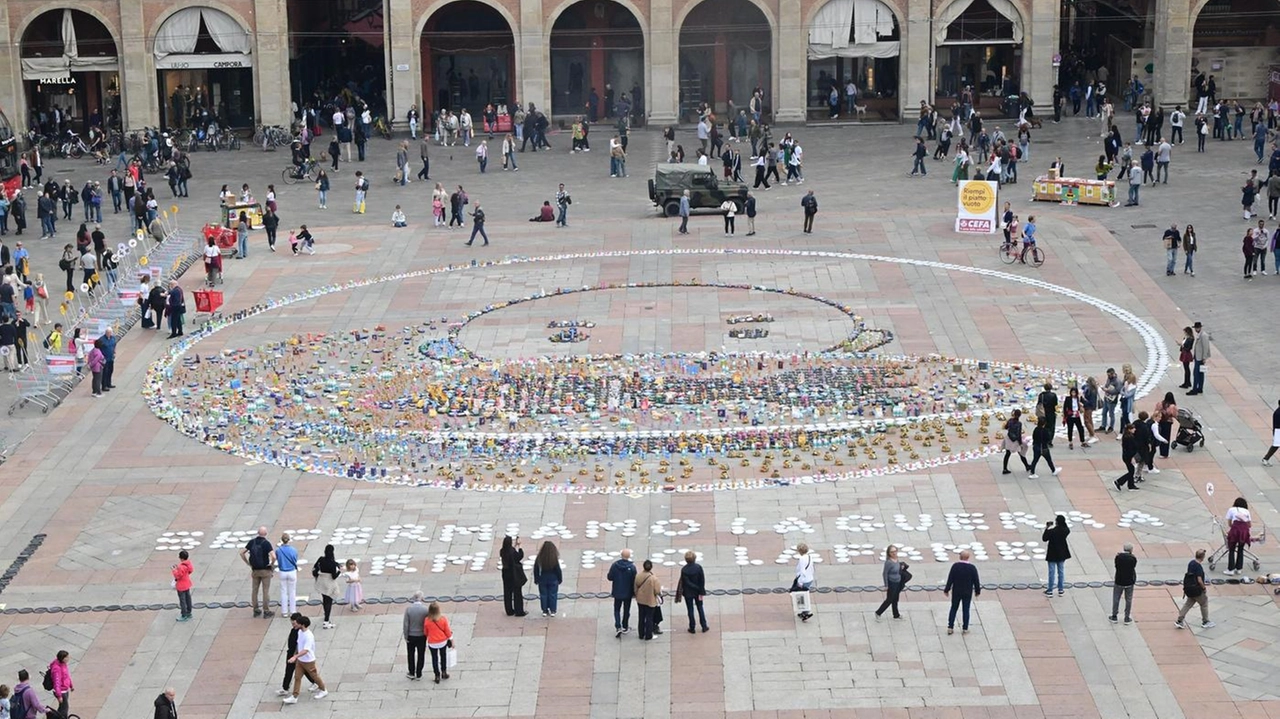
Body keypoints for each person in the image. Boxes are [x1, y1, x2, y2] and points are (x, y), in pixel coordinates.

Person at [283, 615, 328, 703]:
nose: (295, 625)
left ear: (302, 625)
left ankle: (323, 690)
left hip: (308, 661)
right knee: (297, 677)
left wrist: (295, 656)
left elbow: (306, 650)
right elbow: (299, 645)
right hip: (301, 660)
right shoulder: (300, 632)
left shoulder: (308, 636)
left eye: (298, 624)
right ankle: (294, 696)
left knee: (314, 676)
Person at [240, 526, 275, 617]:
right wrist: (271, 563)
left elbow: (242, 552)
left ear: (258, 533)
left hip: (255, 570)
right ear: (266, 534)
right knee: (265, 590)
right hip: (265, 570)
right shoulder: (266, 543)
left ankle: (255, 609)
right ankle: (266, 610)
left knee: (254, 590)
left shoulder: (252, 542)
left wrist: (248, 563)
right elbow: (273, 556)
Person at [943, 550, 981, 634]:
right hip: (967, 592)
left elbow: (950, 579)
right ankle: (965, 628)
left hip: (956, 591)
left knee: (953, 608)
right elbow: (976, 581)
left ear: (960, 557)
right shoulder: (972, 568)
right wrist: (977, 591)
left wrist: (947, 589)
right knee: (966, 609)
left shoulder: (955, 566)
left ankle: (950, 627)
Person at [1175, 549, 1214, 629]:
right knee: (1204, 603)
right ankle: (1205, 621)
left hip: (1189, 588)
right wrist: (1204, 588)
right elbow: (1199, 580)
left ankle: (1179, 620)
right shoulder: (1198, 567)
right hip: (1197, 590)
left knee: (1188, 604)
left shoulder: (1191, 563)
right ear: (1202, 557)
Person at [675, 551, 709, 633]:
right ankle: (704, 626)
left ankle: (692, 627)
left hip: (688, 593)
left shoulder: (684, 570)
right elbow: (702, 579)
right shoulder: (698, 567)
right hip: (698, 592)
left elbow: (686, 582)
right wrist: (700, 589)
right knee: (700, 607)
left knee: (690, 609)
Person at [423, 601, 454, 683]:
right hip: (442, 642)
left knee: (434, 658)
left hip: (432, 643)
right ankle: (444, 672)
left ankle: (437, 675)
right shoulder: (443, 619)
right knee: (443, 657)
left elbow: (425, 632)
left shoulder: (427, 620)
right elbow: (447, 631)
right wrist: (452, 640)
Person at [312, 544, 341, 629]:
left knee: (324, 599)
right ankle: (326, 621)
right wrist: (339, 571)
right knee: (329, 602)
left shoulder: (321, 559)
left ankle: (326, 616)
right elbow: (334, 576)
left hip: (321, 582)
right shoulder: (332, 564)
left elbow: (315, 567)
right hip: (329, 583)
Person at [1042, 515, 1071, 596]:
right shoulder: (1065, 530)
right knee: (1061, 572)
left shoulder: (1052, 531)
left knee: (1051, 572)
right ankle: (1061, 589)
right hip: (1062, 553)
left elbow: (1044, 538)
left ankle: (1050, 590)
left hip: (1052, 553)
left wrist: (1047, 528)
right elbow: (1067, 529)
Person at [403, 591, 430, 680]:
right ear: (422, 599)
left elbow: (406, 624)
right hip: (422, 635)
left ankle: (411, 672)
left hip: (411, 635)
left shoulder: (409, 609)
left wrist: (406, 636)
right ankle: (419, 673)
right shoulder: (425, 610)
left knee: (410, 654)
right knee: (421, 654)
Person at [874, 545, 906, 620]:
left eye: (895, 551)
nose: (894, 553)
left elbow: (897, 569)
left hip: (898, 582)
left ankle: (896, 615)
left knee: (895, 599)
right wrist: (886, 585)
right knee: (890, 599)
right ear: (889, 553)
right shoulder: (888, 562)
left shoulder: (896, 559)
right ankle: (878, 612)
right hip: (892, 583)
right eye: (892, 552)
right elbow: (885, 573)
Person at [499, 536, 527, 617]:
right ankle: (519, 611)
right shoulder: (512, 552)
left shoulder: (502, 551)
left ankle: (509, 610)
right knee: (517, 593)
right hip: (514, 574)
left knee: (507, 593)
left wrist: (515, 546)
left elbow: (511, 554)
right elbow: (519, 556)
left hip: (506, 574)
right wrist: (520, 546)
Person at [634, 559, 662, 640]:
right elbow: (657, 591)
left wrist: (637, 595)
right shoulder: (654, 579)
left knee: (641, 617)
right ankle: (648, 635)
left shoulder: (638, 576)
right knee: (649, 617)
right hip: (650, 600)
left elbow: (635, 587)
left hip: (640, 600)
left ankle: (641, 634)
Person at [533, 540, 562, 617]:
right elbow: (558, 570)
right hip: (553, 579)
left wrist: (536, 579)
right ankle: (553, 610)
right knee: (553, 594)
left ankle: (544, 610)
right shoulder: (554, 558)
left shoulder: (539, 558)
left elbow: (536, 569)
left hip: (542, 579)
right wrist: (560, 579)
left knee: (543, 595)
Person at [1225, 498, 1252, 576]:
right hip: (1244, 533)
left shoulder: (1231, 510)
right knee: (1240, 549)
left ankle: (1230, 569)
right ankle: (1239, 568)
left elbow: (1230, 523)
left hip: (1235, 532)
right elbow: (1249, 525)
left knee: (1232, 549)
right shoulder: (1247, 511)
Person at [1111, 544, 1137, 623]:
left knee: (1116, 598)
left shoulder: (1118, 557)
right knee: (1128, 600)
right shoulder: (1133, 558)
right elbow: (1133, 567)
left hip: (1119, 581)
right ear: (1130, 550)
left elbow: (1116, 566)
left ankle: (1114, 616)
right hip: (1129, 582)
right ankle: (1126, 617)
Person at [276, 533, 299, 617]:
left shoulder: (278, 550)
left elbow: (277, 558)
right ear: (289, 540)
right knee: (292, 591)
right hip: (292, 571)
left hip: (282, 571)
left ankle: (284, 611)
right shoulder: (293, 550)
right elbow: (295, 559)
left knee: (283, 591)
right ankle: (293, 611)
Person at [1001, 408, 1031, 474]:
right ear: (1020, 415)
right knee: (1021, 453)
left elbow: (1006, 427)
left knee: (1007, 454)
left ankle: (1005, 468)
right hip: (1015, 440)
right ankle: (1027, 466)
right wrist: (1020, 443)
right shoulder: (1019, 423)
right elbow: (1018, 434)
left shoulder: (1010, 420)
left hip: (1009, 439)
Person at [1114, 422, 1142, 491]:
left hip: (1126, 456)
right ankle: (1119, 481)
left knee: (1131, 470)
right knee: (1131, 471)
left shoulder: (1127, 436)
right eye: (1133, 428)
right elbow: (1130, 449)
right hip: (1128, 457)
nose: (1135, 429)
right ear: (1129, 429)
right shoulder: (1129, 438)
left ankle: (1130, 485)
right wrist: (1132, 457)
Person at [792, 542, 815, 621]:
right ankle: (805, 612)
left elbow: (802, 571)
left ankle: (806, 612)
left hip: (804, 580)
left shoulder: (802, 559)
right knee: (805, 594)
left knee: (802, 595)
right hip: (810, 578)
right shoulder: (809, 556)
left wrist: (800, 582)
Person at [48, 650, 73, 718]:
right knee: (64, 709)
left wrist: (71, 685)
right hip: (61, 691)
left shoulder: (63, 664)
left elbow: (66, 676)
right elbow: (57, 682)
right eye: (67, 657)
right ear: (62, 658)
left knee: (62, 707)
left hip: (65, 689)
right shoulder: (57, 669)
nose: (68, 658)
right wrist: (59, 695)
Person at [172, 549, 194, 621]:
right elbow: (190, 570)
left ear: (181, 558)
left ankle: (184, 615)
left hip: (181, 586)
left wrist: (174, 570)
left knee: (182, 601)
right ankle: (189, 612)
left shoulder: (181, 566)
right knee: (188, 598)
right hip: (187, 584)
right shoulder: (188, 564)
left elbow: (178, 576)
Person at [1189, 321, 1210, 395]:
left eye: (1196, 328)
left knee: (1196, 373)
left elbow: (1205, 347)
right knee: (1200, 373)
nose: (1195, 330)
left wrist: (1204, 357)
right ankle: (1200, 388)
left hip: (1200, 357)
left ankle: (1195, 389)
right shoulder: (1199, 334)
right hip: (1198, 356)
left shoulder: (1203, 335)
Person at [1262, 399, 1280, 466]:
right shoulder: (1278, 413)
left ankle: (1266, 458)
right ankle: (1265, 458)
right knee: (1275, 446)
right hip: (1278, 432)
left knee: (1276, 446)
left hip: (1278, 431)